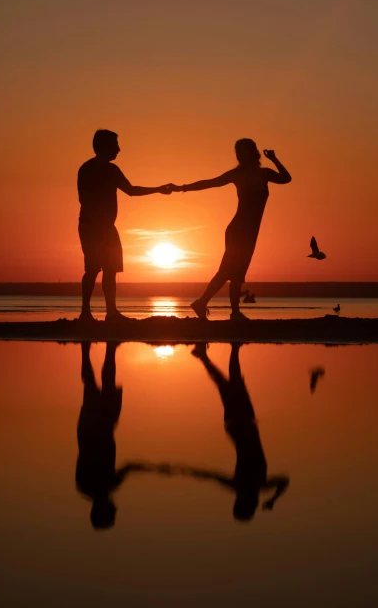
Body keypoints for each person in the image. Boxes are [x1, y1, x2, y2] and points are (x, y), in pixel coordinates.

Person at [172, 140, 291, 320]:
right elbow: (210, 183)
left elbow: (286, 178)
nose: (240, 155)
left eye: (243, 151)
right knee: (226, 271)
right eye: (238, 152)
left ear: (253, 153)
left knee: (238, 274)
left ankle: (234, 312)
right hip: (238, 230)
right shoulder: (237, 175)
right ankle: (201, 302)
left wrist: (274, 159)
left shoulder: (264, 173)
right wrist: (183, 188)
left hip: (250, 232)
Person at [184, 343, 290, 521]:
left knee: (229, 385)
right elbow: (284, 480)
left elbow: (284, 481)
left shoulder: (254, 485)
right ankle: (209, 354)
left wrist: (273, 498)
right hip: (238, 426)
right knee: (228, 385)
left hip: (242, 426)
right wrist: (273, 499)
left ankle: (221, 350)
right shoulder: (250, 486)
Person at [77, 129, 173, 322]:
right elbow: (84, 199)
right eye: (115, 145)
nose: (119, 149)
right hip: (92, 227)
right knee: (93, 269)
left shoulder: (113, 170)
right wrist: (98, 222)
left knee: (110, 269)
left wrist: (157, 189)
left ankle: (111, 312)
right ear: (105, 146)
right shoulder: (87, 169)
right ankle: (86, 312)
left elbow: (130, 190)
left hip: (107, 228)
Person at [75, 342, 151, 530]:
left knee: (98, 385)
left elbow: (125, 469)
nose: (115, 507)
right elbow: (127, 469)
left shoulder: (102, 486)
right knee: (91, 386)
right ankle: (91, 350)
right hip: (90, 430)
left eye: (112, 511)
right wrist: (138, 467)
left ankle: (104, 349)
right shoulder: (85, 487)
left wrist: (137, 467)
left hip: (99, 428)